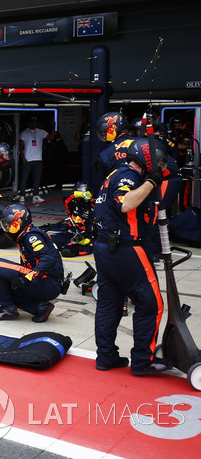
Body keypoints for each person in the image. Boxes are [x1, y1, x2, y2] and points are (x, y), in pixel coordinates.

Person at [93, 138, 172, 376]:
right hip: (127, 250)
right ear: (147, 159)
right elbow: (126, 204)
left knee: (109, 305)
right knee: (152, 304)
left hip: (105, 249)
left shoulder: (112, 175)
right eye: (157, 160)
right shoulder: (129, 176)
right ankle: (142, 361)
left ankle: (106, 357)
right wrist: (151, 181)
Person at [0, 203, 64, 322]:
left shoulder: (31, 236)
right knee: (10, 289)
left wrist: (27, 278)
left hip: (48, 282)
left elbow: (47, 258)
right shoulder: (24, 235)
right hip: (49, 283)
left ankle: (7, 308)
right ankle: (40, 308)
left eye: (8, 223)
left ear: (19, 221)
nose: (6, 227)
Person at [50, 180, 95, 257]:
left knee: (66, 251)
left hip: (84, 239)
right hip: (69, 235)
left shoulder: (94, 206)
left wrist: (90, 238)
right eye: (81, 192)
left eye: (86, 191)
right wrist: (81, 194)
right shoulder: (73, 205)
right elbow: (66, 196)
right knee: (44, 240)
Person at [16, 116, 55, 203]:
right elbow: (20, 147)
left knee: (37, 179)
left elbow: (51, 138)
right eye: (31, 122)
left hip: (38, 159)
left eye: (35, 122)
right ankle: (22, 195)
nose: (33, 123)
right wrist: (23, 157)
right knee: (24, 178)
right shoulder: (24, 133)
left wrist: (53, 127)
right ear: (28, 123)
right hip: (28, 159)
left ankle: (36, 195)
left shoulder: (41, 132)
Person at [97, 111, 135, 177]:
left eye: (105, 133)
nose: (104, 137)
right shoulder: (144, 142)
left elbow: (104, 182)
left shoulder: (106, 154)